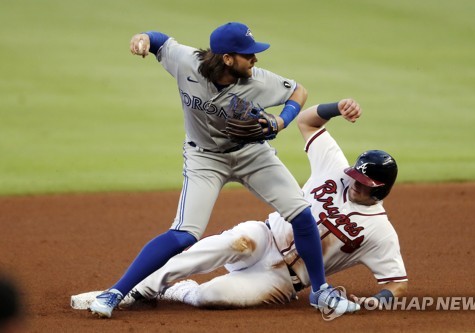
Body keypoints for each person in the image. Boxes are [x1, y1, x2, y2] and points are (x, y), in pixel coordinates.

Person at [89, 22, 356, 318]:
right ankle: (114, 292)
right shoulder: (186, 61)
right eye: (248, 54)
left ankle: (320, 292)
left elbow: (298, 91)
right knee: (184, 234)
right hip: (205, 158)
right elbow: (160, 42)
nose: (255, 59)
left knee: (302, 215)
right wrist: (141, 39)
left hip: (251, 154)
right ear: (227, 59)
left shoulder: (259, 80)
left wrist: (280, 122)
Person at [96, 99, 408, 312]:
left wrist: (378, 301)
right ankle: (135, 289)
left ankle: (181, 290)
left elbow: (397, 284)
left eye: (363, 184)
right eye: (355, 176)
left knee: (211, 296)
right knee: (219, 245)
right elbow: (307, 122)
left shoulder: (380, 232)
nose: (353, 182)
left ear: (380, 190)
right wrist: (337, 108)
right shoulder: (335, 168)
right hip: (263, 237)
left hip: (282, 281)